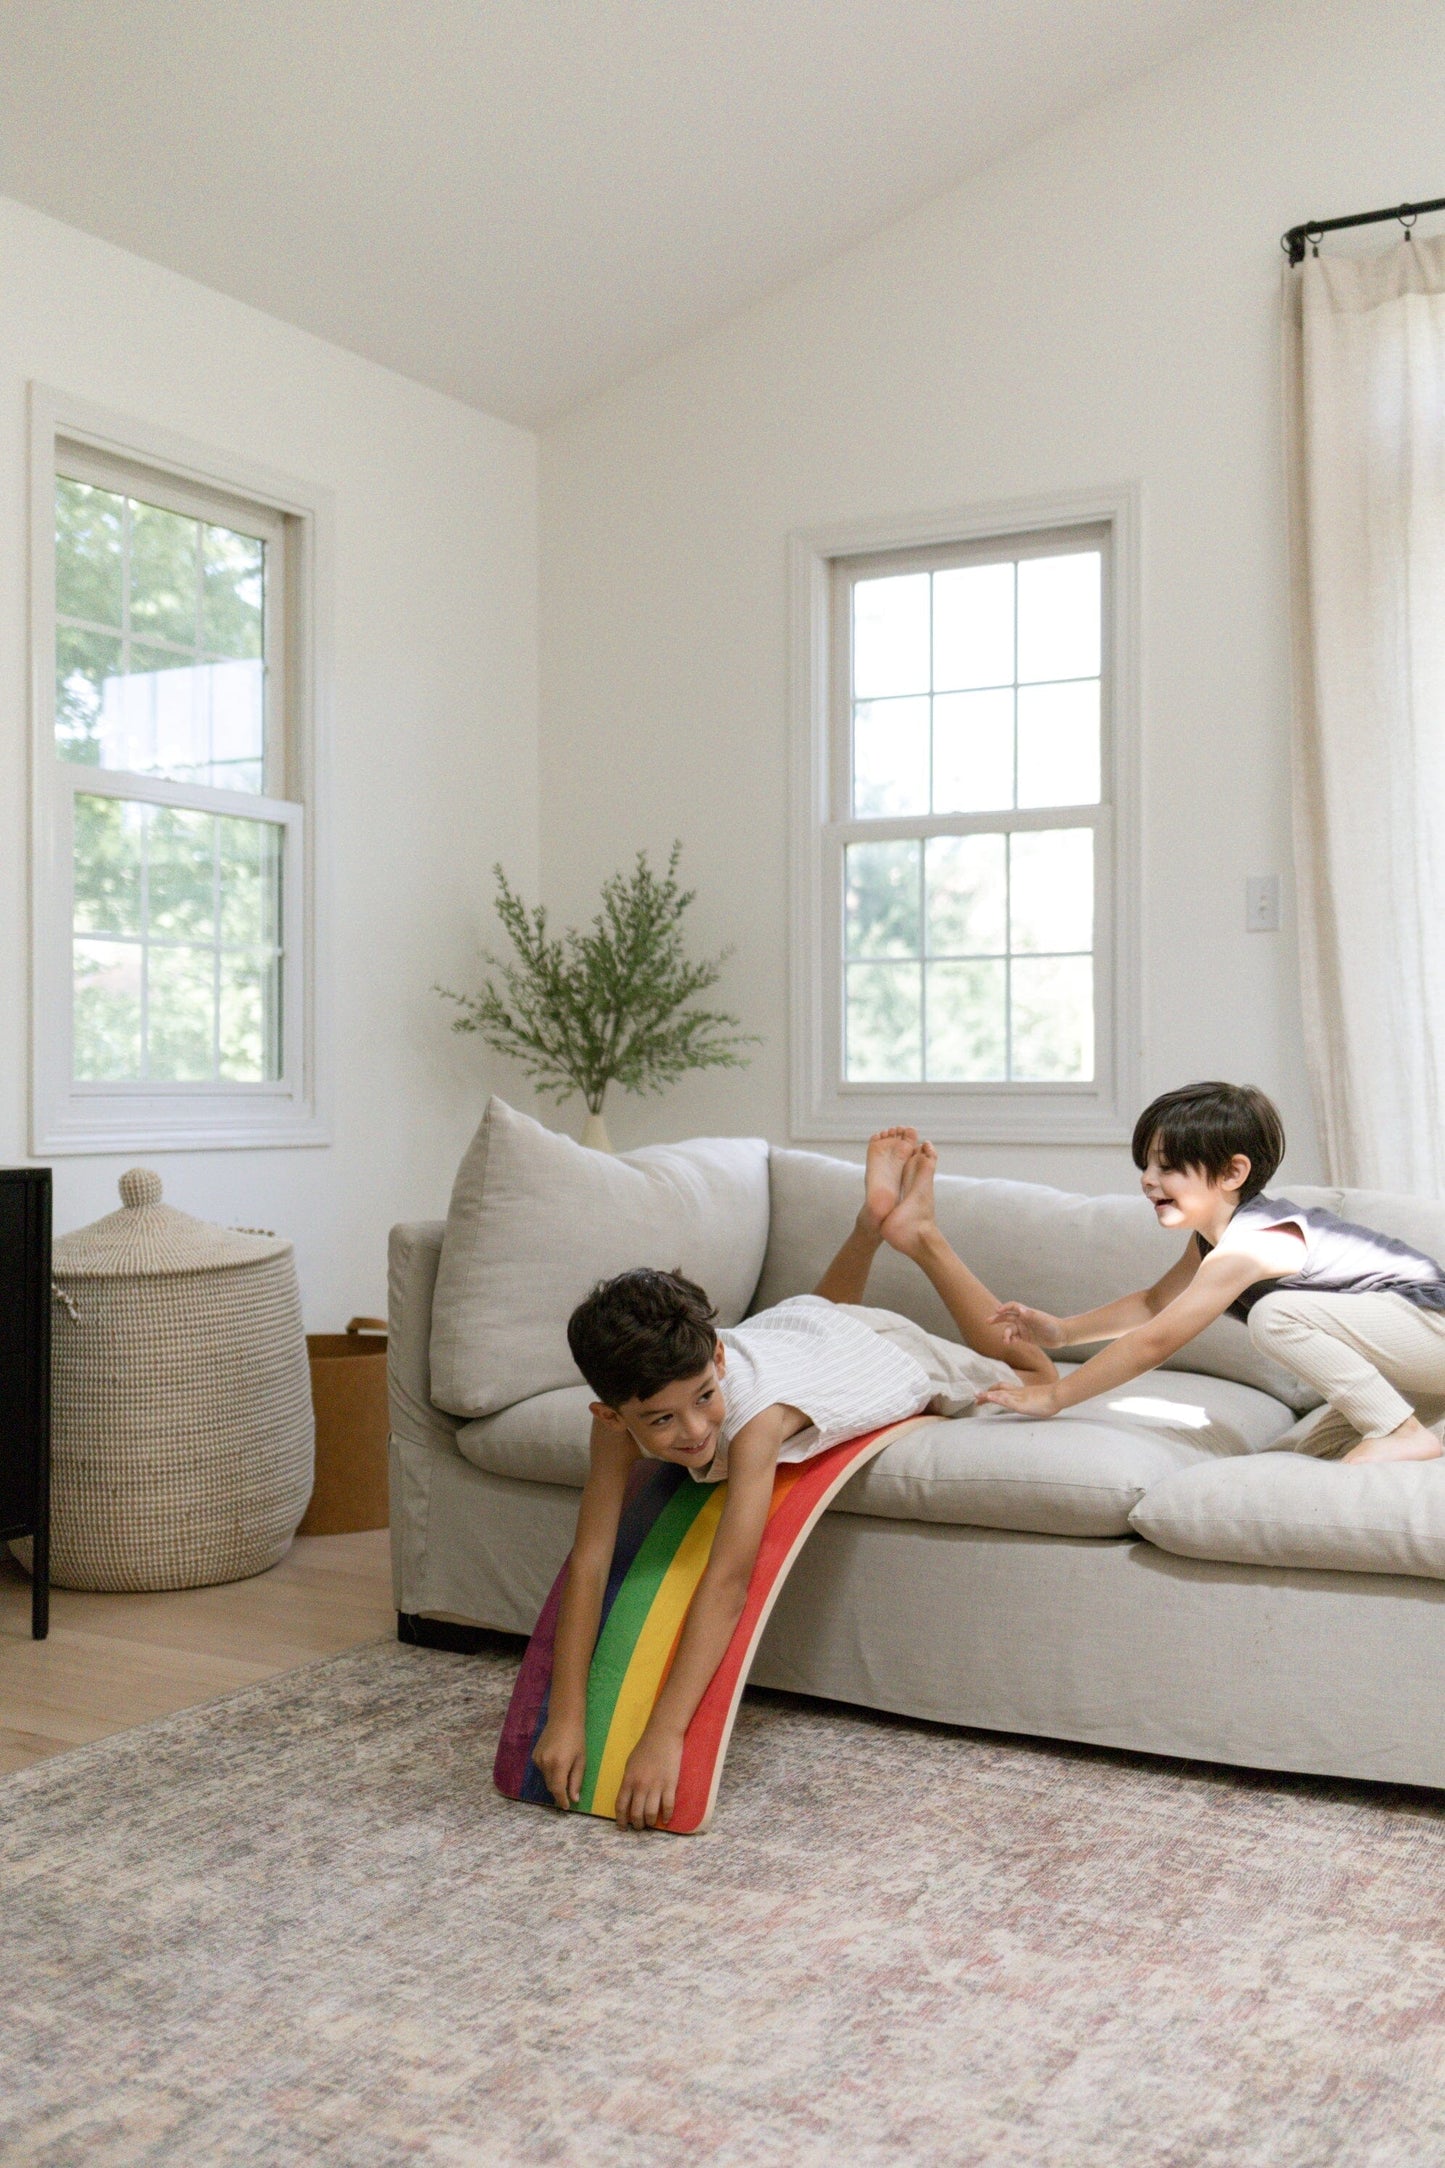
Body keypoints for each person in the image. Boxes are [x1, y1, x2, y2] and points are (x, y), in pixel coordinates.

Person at [533, 1126, 1054, 1830]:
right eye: (657, 1422)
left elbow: (726, 1583)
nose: (691, 1432)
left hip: (870, 1349)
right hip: (796, 1329)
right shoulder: (622, 1420)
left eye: (701, 1398)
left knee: (1038, 1376)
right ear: (609, 1414)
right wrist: (563, 1717)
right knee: (813, 1315)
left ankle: (919, 1234)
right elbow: (591, 1562)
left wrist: (664, 1735)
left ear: (716, 1359)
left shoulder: (750, 1422)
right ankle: (868, 1224)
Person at [982, 1079, 1445, 1468]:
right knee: (1307, 1459)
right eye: (1145, 1164)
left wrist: (1055, 1396)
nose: (1147, 1178)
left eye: (1168, 1166)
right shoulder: (1211, 1241)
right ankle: (1400, 1431)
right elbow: (1154, 1304)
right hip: (1407, 1364)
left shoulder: (1254, 1243)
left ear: (1231, 1173)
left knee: (1275, 1314)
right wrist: (1062, 1333)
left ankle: (1399, 1430)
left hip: (1430, 1331)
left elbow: (1157, 1340)